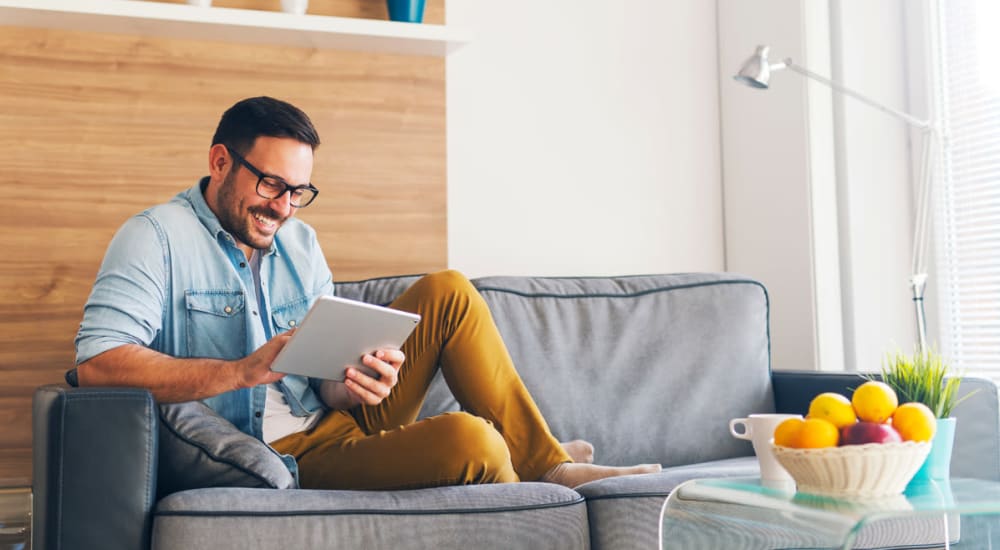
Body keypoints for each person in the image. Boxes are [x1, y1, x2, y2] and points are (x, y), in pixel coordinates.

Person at [75, 96, 660, 490]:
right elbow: (99, 365)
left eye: (298, 191)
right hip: (290, 452)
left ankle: (550, 466)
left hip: (337, 418)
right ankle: (535, 470)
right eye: (271, 184)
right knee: (471, 437)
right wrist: (240, 371)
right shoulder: (154, 237)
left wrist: (358, 382)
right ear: (221, 161)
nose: (282, 207)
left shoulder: (299, 242)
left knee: (448, 290)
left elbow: (327, 385)